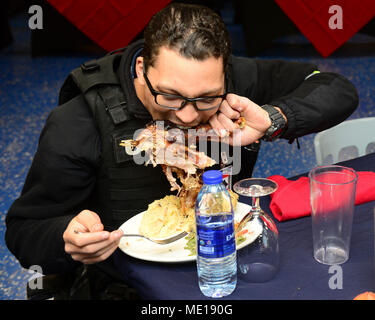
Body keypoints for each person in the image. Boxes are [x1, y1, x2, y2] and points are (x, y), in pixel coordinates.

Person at [5, 3, 358, 299]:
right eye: (170, 96)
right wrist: (65, 237)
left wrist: (273, 117)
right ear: (142, 68)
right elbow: (24, 230)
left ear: (224, 76)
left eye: (207, 99)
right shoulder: (81, 120)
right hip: (128, 287)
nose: (187, 116)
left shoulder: (235, 81)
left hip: (227, 270)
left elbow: (335, 87)